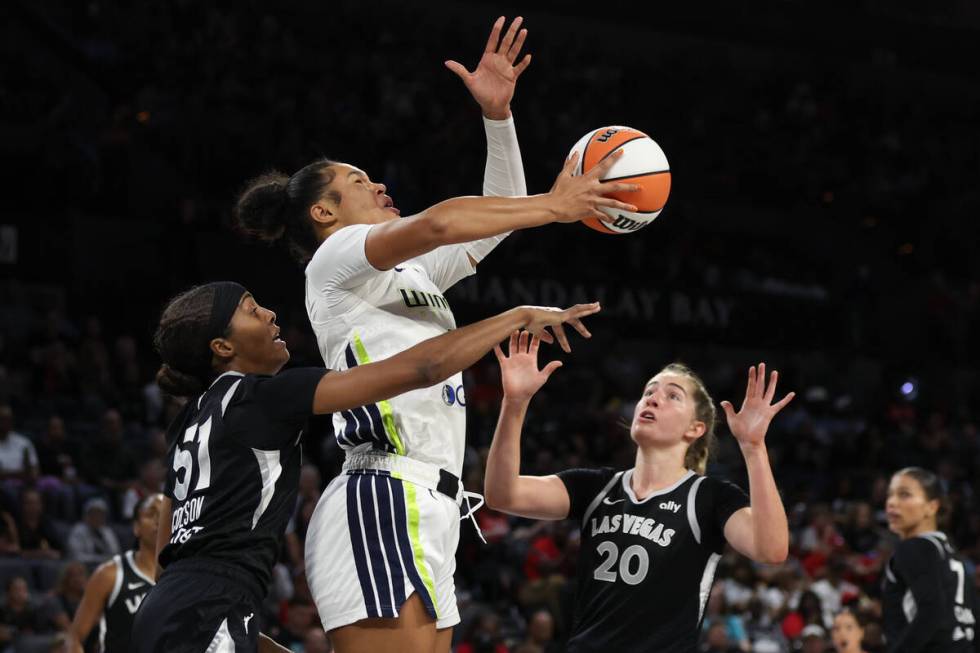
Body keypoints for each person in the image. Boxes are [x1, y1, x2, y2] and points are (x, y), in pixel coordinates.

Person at [234, 17, 636, 653]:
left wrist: (498, 119)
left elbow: (491, 223)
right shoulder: (335, 260)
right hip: (381, 490)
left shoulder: (410, 275)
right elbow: (447, 223)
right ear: (324, 213)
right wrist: (557, 206)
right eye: (360, 182)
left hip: (436, 503)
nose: (379, 184)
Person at [131, 281, 598, 652]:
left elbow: (166, 552)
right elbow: (421, 369)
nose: (271, 314)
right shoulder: (265, 397)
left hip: (171, 605)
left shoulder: (188, 421)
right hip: (212, 604)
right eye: (252, 310)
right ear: (222, 347)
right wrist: (516, 317)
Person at [484, 332, 795, 652]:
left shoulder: (709, 497)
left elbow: (771, 549)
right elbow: (502, 494)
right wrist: (515, 403)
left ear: (695, 429)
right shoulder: (595, 487)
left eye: (672, 395)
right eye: (649, 391)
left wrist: (754, 448)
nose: (653, 398)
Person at [881, 467, 978, 652]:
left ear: (932, 506)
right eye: (890, 495)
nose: (892, 502)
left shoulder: (914, 547)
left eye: (904, 494)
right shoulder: (951, 553)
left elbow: (932, 611)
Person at [68, 494, 164, 652]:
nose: (159, 521)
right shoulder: (110, 574)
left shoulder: (184, 575)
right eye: (151, 514)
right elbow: (74, 638)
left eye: (164, 515)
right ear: (136, 527)